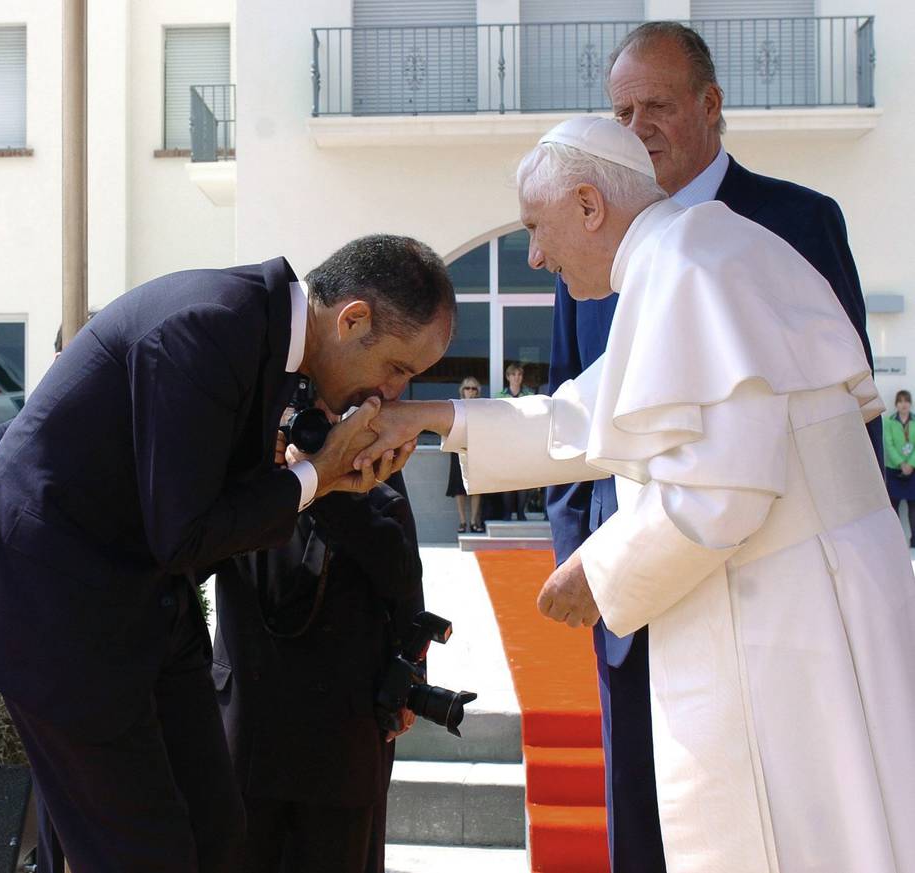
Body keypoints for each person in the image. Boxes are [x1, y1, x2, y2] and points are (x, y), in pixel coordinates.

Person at [358, 117, 915, 873]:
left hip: (792, 620)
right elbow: (590, 414)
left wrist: (599, 571)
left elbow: (724, 489)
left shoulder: (690, 266)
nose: (535, 255)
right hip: (802, 599)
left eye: (536, 227)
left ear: (589, 206)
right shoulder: (692, 252)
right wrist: (435, 416)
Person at [0, 234, 455, 873]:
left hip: (146, 604)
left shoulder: (267, 342)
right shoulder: (206, 329)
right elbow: (183, 532)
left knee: (217, 837)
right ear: (352, 320)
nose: (394, 394)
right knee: (141, 855)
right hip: (54, 610)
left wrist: (328, 478)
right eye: (398, 369)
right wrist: (316, 474)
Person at [544, 22, 879, 872]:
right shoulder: (595, 240)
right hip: (631, 594)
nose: (636, 127)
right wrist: (589, 556)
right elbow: (573, 404)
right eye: (620, 111)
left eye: (655, 105)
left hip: (761, 594)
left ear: (710, 104)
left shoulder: (799, 221)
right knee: (646, 828)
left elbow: (831, 414)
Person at [214, 399, 423, 872]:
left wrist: (325, 481)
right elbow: (192, 548)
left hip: (343, 730)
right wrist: (261, 474)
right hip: (250, 723)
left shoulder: (369, 458)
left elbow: (404, 577)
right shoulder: (245, 463)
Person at [495, 363, 533, 521]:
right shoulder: (500, 396)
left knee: (523, 479)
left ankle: (520, 512)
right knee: (508, 479)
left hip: (524, 442)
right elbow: (496, 418)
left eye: (519, 374)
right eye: (514, 374)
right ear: (508, 377)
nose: (517, 377)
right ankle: (507, 513)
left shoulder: (529, 395)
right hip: (506, 443)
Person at [446, 377, 483, 533]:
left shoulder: (482, 407)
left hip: (477, 449)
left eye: (474, 388)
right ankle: (462, 522)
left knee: (476, 485)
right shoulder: (455, 405)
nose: (471, 391)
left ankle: (474, 521)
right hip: (458, 448)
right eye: (468, 388)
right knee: (458, 486)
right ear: (462, 390)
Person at [884, 389, 915, 545]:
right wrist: (901, 463)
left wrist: (910, 463)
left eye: (906, 400)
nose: (904, 404)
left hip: (913, 470)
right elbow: (888, 445)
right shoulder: (889, 422)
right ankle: (894, 541)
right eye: (900, 401)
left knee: (913, 507)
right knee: (893, 507)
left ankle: (914, 541)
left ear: (910, 403)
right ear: (896, 404)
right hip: (894, 469)